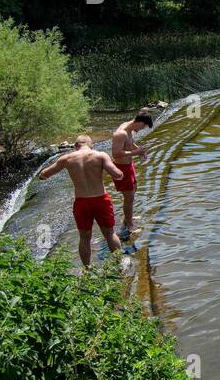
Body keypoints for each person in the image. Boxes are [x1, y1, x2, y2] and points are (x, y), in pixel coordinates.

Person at [38, 135, 127, 267]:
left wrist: (42, 175)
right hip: (100, 199)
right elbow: (117, 175)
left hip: (81, 202)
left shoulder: (66, 158)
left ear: (75, 146)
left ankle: (87, 269)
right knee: (109, 233)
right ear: (91, 145)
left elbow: (44, 174)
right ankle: (120, 263)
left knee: (84, 237)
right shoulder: (100, 156)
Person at [111, 110, 154, 240]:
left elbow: (129, 144)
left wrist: (139, 151)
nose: (141, 130)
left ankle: (127, 218)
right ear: (139, 122)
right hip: (121, 168)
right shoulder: (121, 133)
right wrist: (136, 152)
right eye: (143, 127)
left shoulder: (129, 128)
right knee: (129, 197)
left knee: (133, 191)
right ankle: (129, 225)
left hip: (129, 166)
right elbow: (115, 153)